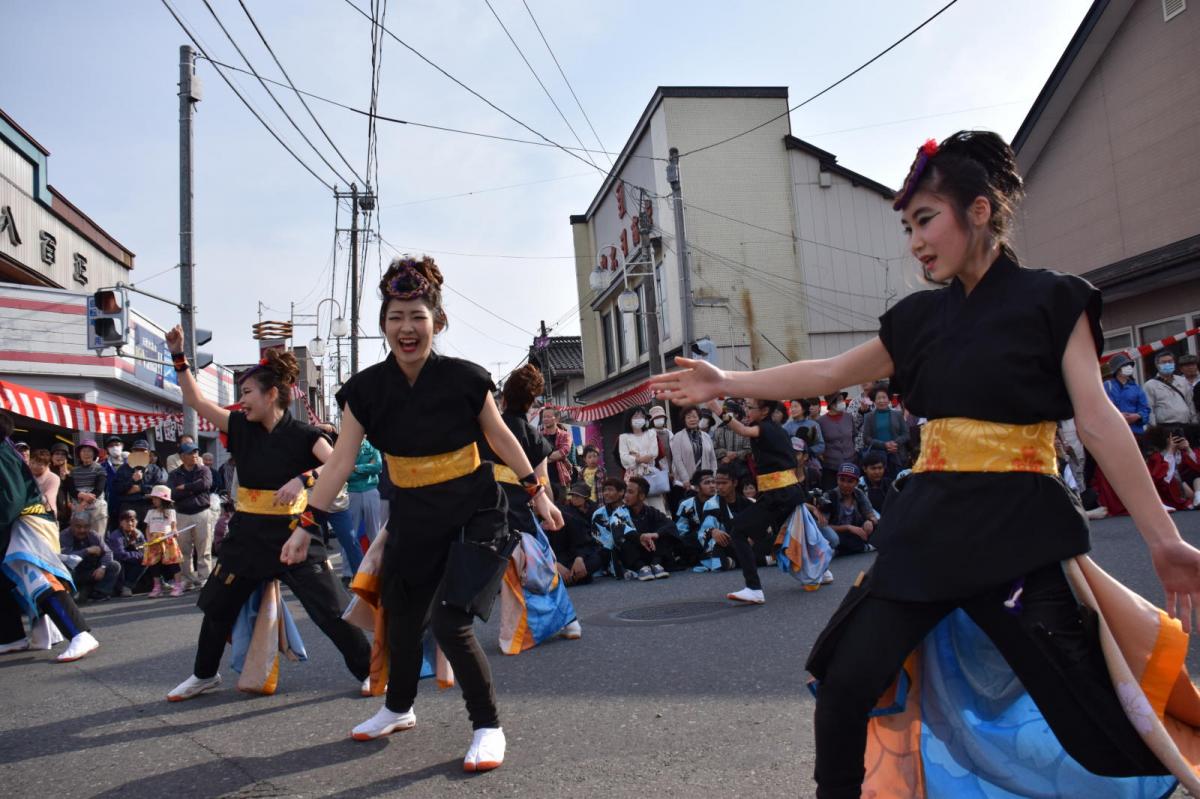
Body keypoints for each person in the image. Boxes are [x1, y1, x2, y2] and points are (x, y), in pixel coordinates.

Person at [651, 131, 1200, 797]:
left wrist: (1163, 538)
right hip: (926, 535)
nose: (914, 241)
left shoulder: (1054, 300)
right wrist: (725, 381)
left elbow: (1097, 417)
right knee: (846, 681)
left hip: (1018, 540)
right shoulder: (916, 318)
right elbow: (827, 370)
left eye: (925, 219)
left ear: (980, 209)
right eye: (908, 225)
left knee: (1100, 723)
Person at [309, 255, 562, 772]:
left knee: (450, 622)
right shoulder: (365, 391)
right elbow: (339, 463)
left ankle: (488, 726)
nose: (407, 328)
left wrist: (538, 491)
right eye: (396, 316)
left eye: (417, 316)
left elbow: (499, 436)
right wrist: (305, 523)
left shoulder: (466, 379)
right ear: (383, 325)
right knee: (401, 622)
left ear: (437, 323)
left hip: (476, 511)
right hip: (413, 517)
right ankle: (398, 708)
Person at [162, 329, 371, 705]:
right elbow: (193, 398)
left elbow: (341, 464)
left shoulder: (305, 435)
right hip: (247, 536)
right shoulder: (239, 426)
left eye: (247, 393)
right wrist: (179, 355)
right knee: (216, 607)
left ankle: (371, 672)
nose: (241, 402)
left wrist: (304, 477)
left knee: (331, 612)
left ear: (271, 394)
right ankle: (204, 674)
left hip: (296, 535)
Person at [479, 363, 580, 645]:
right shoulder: (534, 436)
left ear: (504, 398)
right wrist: (547, 507)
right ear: (532, 403)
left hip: (484, 507)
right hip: (522, 509)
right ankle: (566, 620)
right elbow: (541, 480)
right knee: (538, 566)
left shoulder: (486, 428)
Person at [0, 411, 98, 662]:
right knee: (4, 582)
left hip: (26, 524)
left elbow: (11, 500)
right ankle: (11, 636)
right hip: (16, 525)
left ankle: (79, 633)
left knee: (39, 579)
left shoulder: (2, 452)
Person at [704, 398, 805, 604]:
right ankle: (821, 571)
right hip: (788, 490)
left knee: (738, 531)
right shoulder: (778, 429)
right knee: (790, 533)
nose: (747, 411)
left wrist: (717, 408)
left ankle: (754, 588)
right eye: (747, 407)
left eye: (751, 408)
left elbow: (742, 430)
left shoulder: (764, 428)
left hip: (778, 493)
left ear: (765, 410)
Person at [169, 441, 214, 591]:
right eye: (190, 453)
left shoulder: (204, 470)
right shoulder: (174, 474)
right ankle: (187, 579)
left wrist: (186, 488)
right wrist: (194, 489)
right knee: (184, 549)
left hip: (202, 512)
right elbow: (173, 493)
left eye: (196, 452)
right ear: (182, 456)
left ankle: (204, 578)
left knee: (204, 548)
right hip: (182, 514)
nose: (194, 455)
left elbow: (205, 484)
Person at [618, 476, 678, 581]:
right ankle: (641, 568)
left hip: (651, 550)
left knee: (664, 533)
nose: (626, 495)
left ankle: (656, 565)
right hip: (634, 555)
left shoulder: (651, 511)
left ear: (641, 496)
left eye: (630, 492)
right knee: (623, 541)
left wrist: (655, 534)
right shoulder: (620, 512)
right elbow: (619, 530)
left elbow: (670, 525)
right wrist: (640, 537)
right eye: (626, 492)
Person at [694, 464, 749, 573]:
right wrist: (713, 531)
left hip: (747, 542)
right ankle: (763, 559)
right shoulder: (711, 504)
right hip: (727, 544)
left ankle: (733, 562)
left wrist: (752, 535)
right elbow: (704, 530)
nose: (719, 487)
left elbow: (757, 525)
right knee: (716, 549)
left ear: (735, 483)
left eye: (724, 483)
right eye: (717, 483)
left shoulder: (747, 502)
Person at [60, 512, 121, 602]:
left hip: (91, 572)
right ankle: (74, 593)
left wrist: (102, 567)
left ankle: (99, 593)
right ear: (71, 525)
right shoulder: (64, 536)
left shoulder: (94, 535)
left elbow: (108, 552)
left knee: (114, 565)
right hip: (74, 573)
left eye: (86, 527)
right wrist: (87, 551)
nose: (82, 530)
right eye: (78, 527)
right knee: (78, 599)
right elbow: (67, 557)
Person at [618, 407, 668, 513]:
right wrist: (639, 459)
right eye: (635, 416)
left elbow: (654, 453)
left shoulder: (651, 433)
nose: (639, 418)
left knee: (657, 506)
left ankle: (660, 528)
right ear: (629, 419)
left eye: (641, 416)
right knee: (637, 507)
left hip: (650, 474)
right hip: (633, 477)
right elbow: (624, 457)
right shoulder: (623, 437)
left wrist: (636, 456)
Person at [553, 483, 605, 585]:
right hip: (556, 556)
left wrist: (579, 557)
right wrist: (554, 563)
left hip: (586, 543)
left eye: (577, 496)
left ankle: (572, 576)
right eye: (573, 496)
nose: (574, 499)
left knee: (597, 556)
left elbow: (582, 540)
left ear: (586, 497)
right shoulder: (567, 511)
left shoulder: (595, 510)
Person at [823, 464, 878, 556]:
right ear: (837, 479)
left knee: (881, 527)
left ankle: (846, 550)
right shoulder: (829, 496)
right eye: (842, 480)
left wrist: (870, 521)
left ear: (856, 483)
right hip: (839, 533)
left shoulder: (859, 494)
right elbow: (823, 527)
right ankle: (864, 547)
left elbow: (871, 514)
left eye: (850, 481)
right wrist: (848, 527)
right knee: (836, 540)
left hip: (858, 531)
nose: (845, 484)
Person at [668, 406, 717, 507]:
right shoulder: (678, 437)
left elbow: (713, 459)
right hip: (686, 483)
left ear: (699, 418)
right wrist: (685, 479)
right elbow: (677, 460)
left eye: (694, 417)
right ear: (684, 420)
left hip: (705, 480)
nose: (692, 419)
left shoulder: (706, 436)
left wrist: (713, 477)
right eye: (689, 417)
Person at [143, 484, 185, 597]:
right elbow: (147, 527)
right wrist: (148, 539)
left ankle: (178, 585)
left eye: (156, 498)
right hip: (154, 540)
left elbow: (173, 525)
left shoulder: (171, 512)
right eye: (153, 498)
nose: (154, 500)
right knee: (154, 564)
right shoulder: (150, 512)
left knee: (173, 563)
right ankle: (157, 587)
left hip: (168, 539)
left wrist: (174, 531)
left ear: (163, 499)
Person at [346, 437, 383, 565]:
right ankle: (348, 572)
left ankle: (377, 568)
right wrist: (367, 467)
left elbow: (378, 467)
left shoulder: (373, 446)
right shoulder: (345, 448)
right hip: (352, 492)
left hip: (371, 491)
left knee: (375, 533)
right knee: (350, 535)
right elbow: (343, 472)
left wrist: (355, 468)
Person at [1145, 426, 1200, 511]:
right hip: (1170, 485)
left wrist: (1188, 448)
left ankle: (1198, 496)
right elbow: (1162, 475)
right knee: (1182, 486)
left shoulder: (1182, 453)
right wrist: (1170, 449)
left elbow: (1197, 466)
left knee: (1196, 477)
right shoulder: (1158, 455)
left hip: (1185, 481)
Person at [860, 383, 909, 478]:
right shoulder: (869, 417)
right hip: (877, 459)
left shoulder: (898, 414)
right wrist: (884, 445)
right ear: (874, 400)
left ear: (889, 399)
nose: (881, 400)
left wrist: (895, 443)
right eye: (878, 398)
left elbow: (906, 434)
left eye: (884, 397)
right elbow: (866, 438)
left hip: (897, 456)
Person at [590, 477, 636, 578]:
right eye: (604, 490)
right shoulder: (598, 514)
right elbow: (600, 540)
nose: (606, 493)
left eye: (610, 489)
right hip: (606, 552)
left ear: (621, 492)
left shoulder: (630, 509)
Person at [113, 440, 167, 527]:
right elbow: (117, 488)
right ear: (132, 452)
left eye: (142, 450)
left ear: (148, 453)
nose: (139, 453)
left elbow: (160, 488)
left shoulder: (154, 469)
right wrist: (132, 480)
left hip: (149, 506)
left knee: (151, 537)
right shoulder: (123, 469)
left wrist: (140, 488)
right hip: (128, 506)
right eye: (136, 450)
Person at [673, 469, 715, 568]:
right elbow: (680, 530)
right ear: (696, 487)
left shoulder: (720, 501)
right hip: (695, 540)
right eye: (707, 483)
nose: (712, 486)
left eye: (713, 482)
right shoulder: (686, 504)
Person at [64, 440, 107, 535]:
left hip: (96, 504)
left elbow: (99, 489)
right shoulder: (73, 471)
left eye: (89, 451)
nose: (86, 454)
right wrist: (81, 495)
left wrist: (84, 502)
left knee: (96, 535)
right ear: (79, 454)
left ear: (94, 453)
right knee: (78, 534)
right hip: (78, 504)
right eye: (83, 451)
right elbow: (71, 490)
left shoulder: (100, 469)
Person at [1103, 352, 1151, 435]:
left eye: (1129, 365)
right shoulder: (1107, 386)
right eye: (1124, 365)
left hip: (1136, 433)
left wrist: (1138, 416)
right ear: (1117, 370)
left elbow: (1146, 410)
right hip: (1114, 432)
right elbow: (1102, 407)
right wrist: (1118, 416)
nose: (1128, 367)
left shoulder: (1136, 388)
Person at [1144, 350, 1196, 427]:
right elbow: (1149, 409)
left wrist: (1194, 424)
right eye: (1164, 362)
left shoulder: (1182, 381)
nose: (1167, 364)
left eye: (1170, 361)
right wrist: (1155, 429)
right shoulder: (1150, 385)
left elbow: (1190, 404)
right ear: (1157, 365)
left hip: (1186, 425)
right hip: (1165, 427)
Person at [817, 393, 855, 490]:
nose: (842, 403)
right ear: (831, 404)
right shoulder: (821, 421)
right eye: (839, 400)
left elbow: (854, 435)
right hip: (831, 466)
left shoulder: (849, 417)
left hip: (851, 462)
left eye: (842, 400)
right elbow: (818, 442)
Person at [106, 509, 147, 597]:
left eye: (132, 520)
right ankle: (119, 588)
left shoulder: (138, 533)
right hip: (118, 562)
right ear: (121, 523)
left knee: (146, 560)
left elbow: (143, 550)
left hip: (131, 560)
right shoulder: (116, 535)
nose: (130, 524)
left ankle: (127, 587)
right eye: (126, 521)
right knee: (118, 562)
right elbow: (120, 554)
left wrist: (136, 541)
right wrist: (139, 555)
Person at [541, 407, 573, 503]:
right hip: (543, 479)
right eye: (544, 417)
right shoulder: (538, 436)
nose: (545, 419)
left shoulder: (564, 435)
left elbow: (564, 451)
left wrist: (544, 459)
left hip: (560, 479)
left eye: (548, 416)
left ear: (557, 418)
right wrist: (554, 457)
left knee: (561, 507)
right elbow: (534, 455)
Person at [859, 452, 891, 516]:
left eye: (880, 468)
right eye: (873, 468)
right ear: (865, 469)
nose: (877, 472)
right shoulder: (859, 485)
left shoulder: (890, 483)